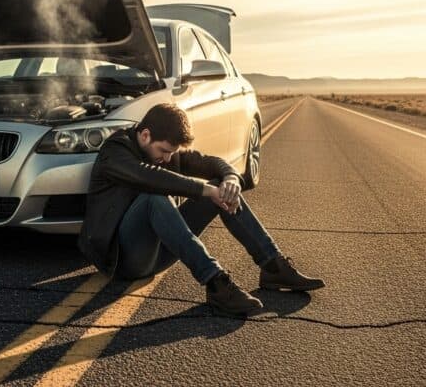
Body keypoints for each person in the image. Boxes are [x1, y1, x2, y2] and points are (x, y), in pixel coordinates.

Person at [77, 102, 325, 316]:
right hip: (123, 260)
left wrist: (230, 180)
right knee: (154, 198)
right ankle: (216, 283)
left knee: (220, 186)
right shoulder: (115, 151)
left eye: (171, 153)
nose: (166, 158)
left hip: (160, 252)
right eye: (163, 151)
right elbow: (150, 178)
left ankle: (273, 266)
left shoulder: (166, 152)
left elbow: (213, 163)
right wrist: (208, 191)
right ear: (145, 135)